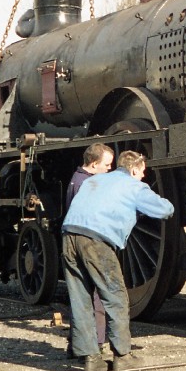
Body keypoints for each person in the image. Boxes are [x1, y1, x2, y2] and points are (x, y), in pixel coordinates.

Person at [62, 149, 175, 371]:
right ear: (134, 169)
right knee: (115, 297)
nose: (144, 177)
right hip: (96, 240)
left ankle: (91, 360)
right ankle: (123, 355)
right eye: (142, 172)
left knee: (80, 299)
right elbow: (165, 210)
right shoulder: (134, 186)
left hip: (68, 236)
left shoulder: (96, 179)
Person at [65, 142, 114, 353]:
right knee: (98, 297)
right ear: (93, 165)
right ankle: (97, 345)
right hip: (88, 244)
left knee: (81, 297)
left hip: (75, 243)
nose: (109, 169)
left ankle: (76, 346)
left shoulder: (77, 180)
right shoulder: (86, 185)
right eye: (106, 165)